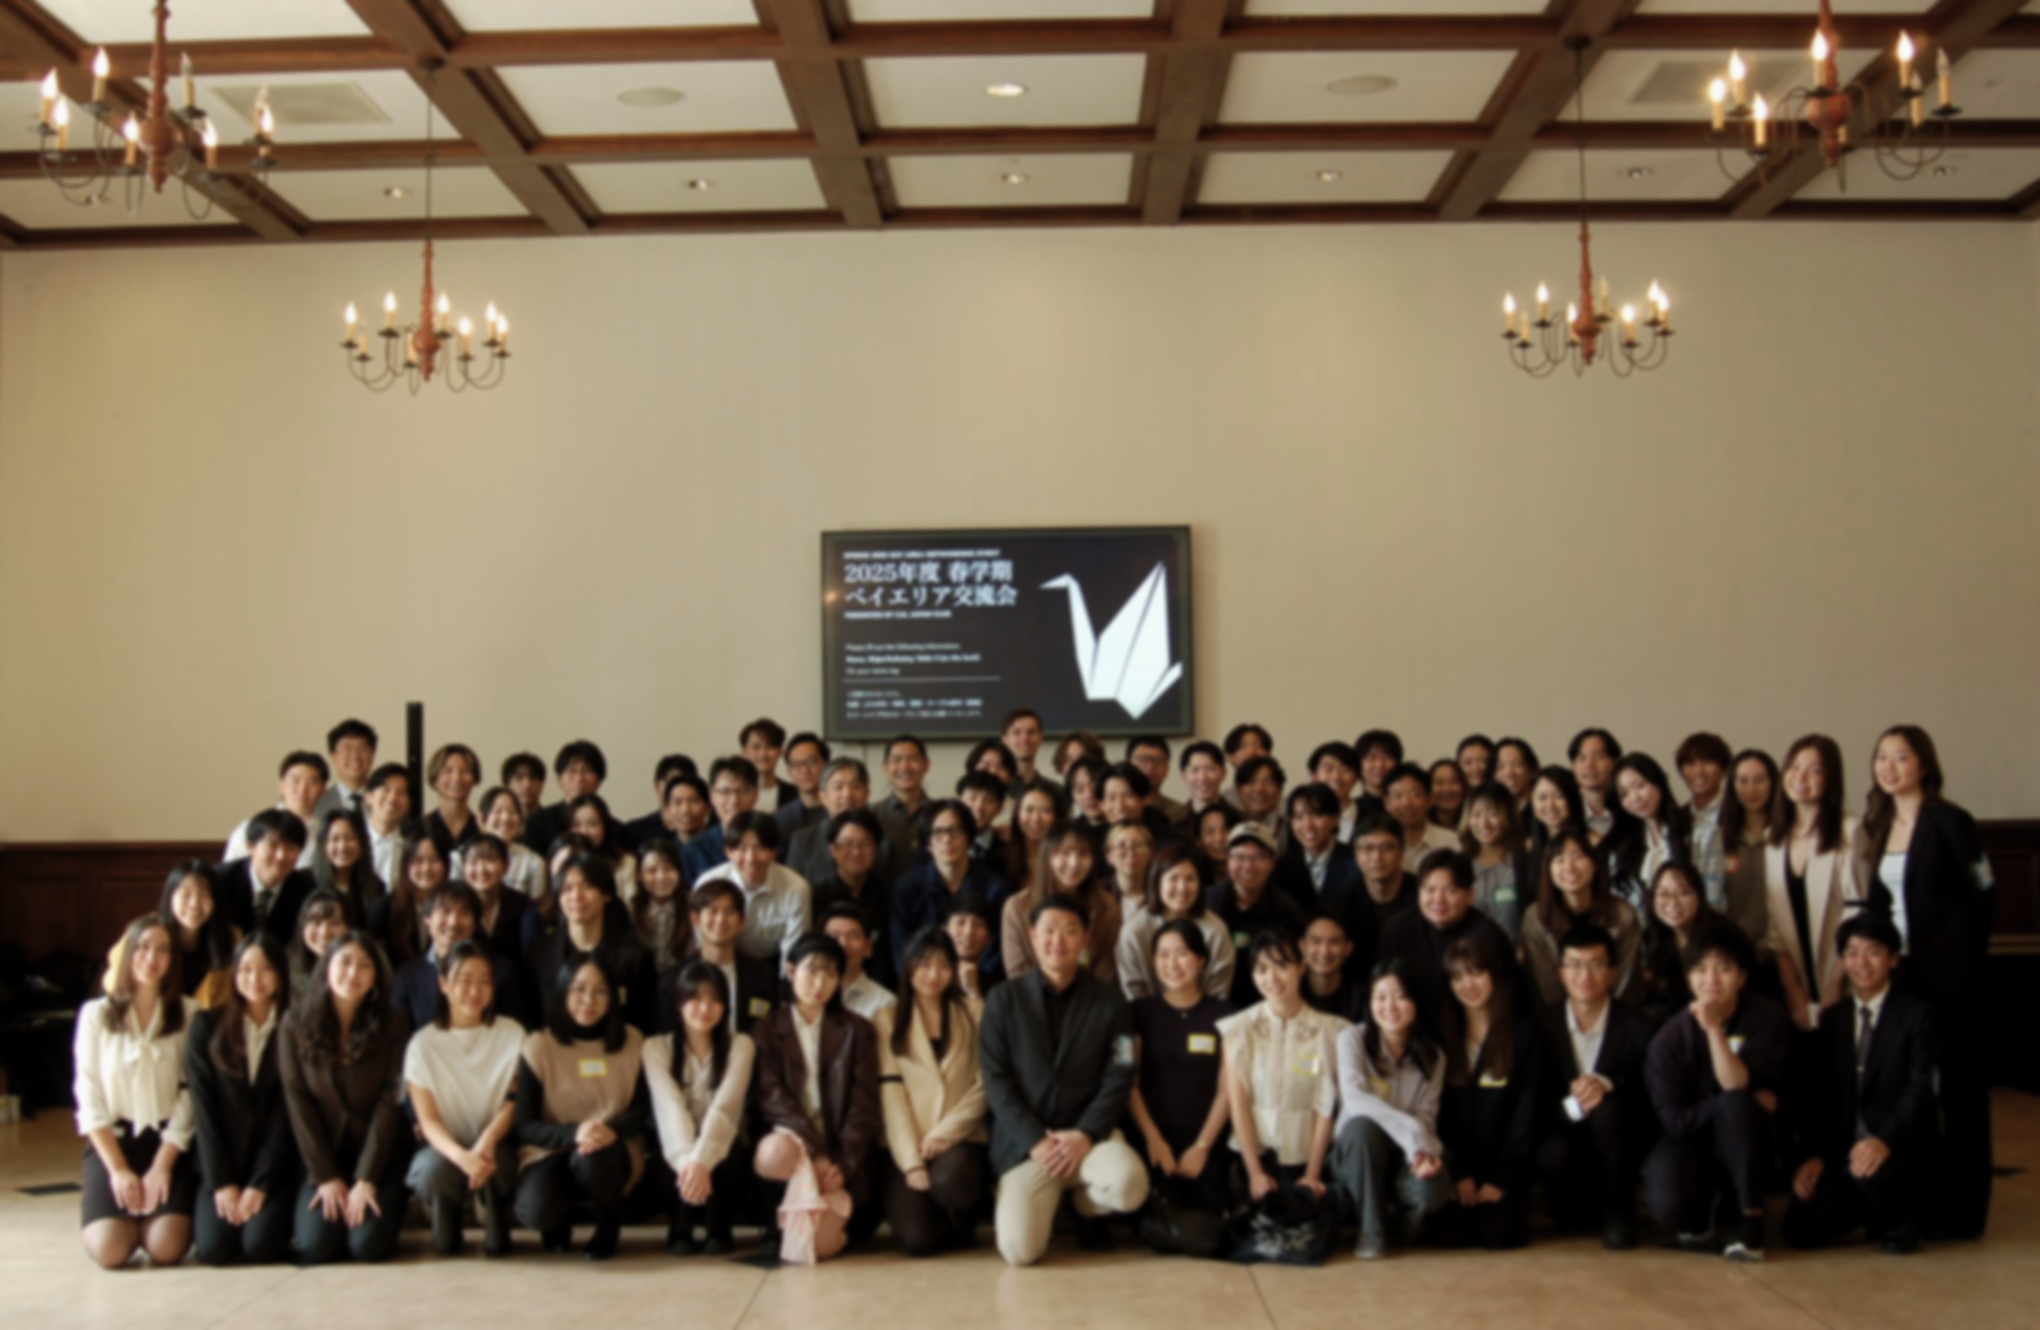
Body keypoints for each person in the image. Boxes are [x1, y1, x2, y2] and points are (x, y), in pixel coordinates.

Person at [1856, 723, 1994, 1240]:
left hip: (1952, 980)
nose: (1889, 767)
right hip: (1903, 975)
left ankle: (1966, 1210)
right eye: (1881, 758)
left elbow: (1983, 893)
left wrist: (1959, 958)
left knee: (1961, 1094)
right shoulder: (1879, 824)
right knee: (1913, 1093)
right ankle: (1919, 1200)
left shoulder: (1950, 820)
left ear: (1924, 764)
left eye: (1901, 757)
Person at [979, 898, 1149, 1265]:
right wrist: (1035, 1140)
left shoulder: (1111, 1001)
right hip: (1029, 1147)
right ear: (1032, 936)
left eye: (1070, 931)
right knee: (1018, 1252)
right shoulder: (1002, 1000)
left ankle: (1084, 1207)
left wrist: (1086, 1133)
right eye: (1049, 930)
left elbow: (1121, 1071)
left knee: (1129, 1186)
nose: (1059, 940)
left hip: (1089, 1138)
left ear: (1086, 938)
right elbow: (996, 1080)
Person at [1784, 914, 1938, 1255]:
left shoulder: (1916, 1014)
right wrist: (1814, 1154)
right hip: (1846, 1152)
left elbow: (1921, 1089)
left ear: (1894, 958)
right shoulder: (1835, 1017)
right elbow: (1822, 1096)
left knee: (1874, 1181)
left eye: (1873, 952)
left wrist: (1884, 1141)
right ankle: (1868, 1207)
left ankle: (1901, 1220)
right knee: (1799, 1227)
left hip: (1896, 1146)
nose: (1862, 963)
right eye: (1852, 953)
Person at [1644, 920, 1790, 1262]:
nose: (1710, 980)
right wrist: (1724, 1104)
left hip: (1751, 1144)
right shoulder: (1668, 1039)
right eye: (1700, 969)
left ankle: (1751, 1215)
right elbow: (1675, 1122)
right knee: (1669, 1203)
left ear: (1742, 976)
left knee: (1738, 1107)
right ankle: (1708, 1203)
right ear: (1688, 977)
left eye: (1723, 969)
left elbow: (1736, 1084)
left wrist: (1712, 1031)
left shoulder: (1766, 1017)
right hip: (1691, 1142)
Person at [279, 932, 411, 1265]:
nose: (354, 974)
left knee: (366, 1247)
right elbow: (298, 1103)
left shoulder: (394, 1023)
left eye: (365, 965)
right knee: (317, 1246)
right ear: (325, 969)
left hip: (378, 1158)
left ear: (376, 978)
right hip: (321, 1156)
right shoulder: (294, 1023)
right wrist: (325, 1175)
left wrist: (366, 1178)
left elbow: (390, 1103)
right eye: (345, 962)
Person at [74, 914, 197, 1269]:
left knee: (166, 1247)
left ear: (173, 961)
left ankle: (150, 1216)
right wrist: (118, 1170)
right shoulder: (95, 1014)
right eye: (142, 948)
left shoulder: (190, 1013)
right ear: (127, 954)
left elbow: (188, 1094)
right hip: (114, 1143)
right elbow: (88, 1092)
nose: (151, 958)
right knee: (111, 1250)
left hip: (169, 1145)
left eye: (162, 950)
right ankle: (123, 1217)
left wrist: (162, 1166)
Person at [750, 934, 884, 1258]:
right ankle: (776, 1218)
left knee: (818, 1249)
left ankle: (836, 1218)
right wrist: (816, 1153)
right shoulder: (766, 1029)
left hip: (840, 1154)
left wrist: (842, 1162)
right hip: (794, 1148)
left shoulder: (858, 1030)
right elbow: (773, 1101)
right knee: (774, 1152)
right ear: (791, 970)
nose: (820, 983)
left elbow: (863, 1105)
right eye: (812, 971)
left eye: (831, 974)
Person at [514, 956, 649, 1260]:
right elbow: (524, 1123)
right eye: (579, 989)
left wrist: (607, 1131)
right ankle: (557, 1224)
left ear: (613, 996)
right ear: (563, 992)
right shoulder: (539, 1045)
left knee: (595, 1160)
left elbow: (642, 1111)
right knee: (536, 1210)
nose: (589, 1000)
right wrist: (576, 1133)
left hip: (611, 1148)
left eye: (600, 991)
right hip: (552, 1148)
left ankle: (607, 1226)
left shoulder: (633, 1041)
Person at [1533, 923, 1655, 1249]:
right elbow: (1535, 1099)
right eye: (1574, 964)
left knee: (1612, 1107)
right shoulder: (1541, 1026)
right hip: (1563, 1131)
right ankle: (1570, 1209)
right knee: (1552, 1154)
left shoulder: (1639, 1027)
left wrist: (1608, 1087)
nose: (1584, 975)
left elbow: (1650, 1097)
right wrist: (1576, 1104)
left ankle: (1619, 1213)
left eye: (1596, 964)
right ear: (1560, 973)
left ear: (1612, 972)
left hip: (1620, 1136)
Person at [403, 938, 523, 1257]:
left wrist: (486, 1141)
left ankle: (493, 1209)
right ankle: (447, 1213)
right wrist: (460, 1156)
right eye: (464, 981)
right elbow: (427, 1120)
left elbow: (514, 1101)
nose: (475, 991)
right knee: (432, 1170)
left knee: (501, 1162)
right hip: (444, 1148)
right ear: (443, 984)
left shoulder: (512, 1034)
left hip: (495, 1143)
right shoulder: (422, 1044)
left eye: (484, 981)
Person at [877, 928, 990, 1256]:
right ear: (908, 965)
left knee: (950, 1182)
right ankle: (937, 1216)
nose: (933, 975)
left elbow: (984, 1085)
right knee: (917, 1240)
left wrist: (945, 1134)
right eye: (924, 964)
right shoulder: (886, 1018)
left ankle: (958, 1214)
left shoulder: (974, 1012)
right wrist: (912, 1161)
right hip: (905, 1145)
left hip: (961, 1138)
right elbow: (890, 1095)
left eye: (943, 966)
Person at [186, 932, 297, 1266]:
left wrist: (260, 1183)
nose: (255, 979)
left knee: (260, 1246)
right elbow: (202, 1110)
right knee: (214, 1249)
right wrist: (221, 1182)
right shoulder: (206, 1026)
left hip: (272, 1167)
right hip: (221, 1163)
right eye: (245, 969)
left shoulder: (295, 1028)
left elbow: (286, 1117)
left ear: (280, 973)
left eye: (265, 969)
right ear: (234, 975)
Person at [1331, 961, 1451, 1259]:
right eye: (1380, 997)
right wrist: (1413, 1134)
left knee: (1434, 1188)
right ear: (1369, 1002)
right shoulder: (1352, 1039)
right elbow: (1356, 1100)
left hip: (1401, 1157)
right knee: (1362, 1127)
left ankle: (1398, 1228)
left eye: (1400, 996)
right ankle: (1371, 1231)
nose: (1390, 1006)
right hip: (1354, 1156)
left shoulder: (1434, 1057)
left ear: (1416, 1001)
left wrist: (1424, 1153)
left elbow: (1426, 1116)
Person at [1219, 932, 1341, 1215]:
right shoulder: (1238, 1028)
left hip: (1306, 1160)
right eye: (1261, 969)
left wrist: (1312, 1172)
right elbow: (1238, 1105)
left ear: (1302, 966)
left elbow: (1326, 1108)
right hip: (1250, 1160)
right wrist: (1255, 1173)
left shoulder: (1331, 1031)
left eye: (1281, 965)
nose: (1271, 977)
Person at [1434, 932, 1543, 1250]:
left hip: (1506, 1168)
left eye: (1476, 973)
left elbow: (1528, 1114)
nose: (1468, 984)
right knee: (1450, 1237)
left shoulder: (1523, 1035)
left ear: (1495, 974)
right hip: (1460, 1167)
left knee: (1500, 1236)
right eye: (1457, 977)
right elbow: (1441, 1116)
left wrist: (1502, 1178)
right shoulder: (1443, 1038)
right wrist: (1461, 1172)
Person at [646, 962, 756, 1255]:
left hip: (725, 1146)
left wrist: (701, 1160)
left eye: (715, 999)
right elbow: (670, 1109)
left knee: (725, 1147)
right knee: (665, 1148)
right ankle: (680, 1223)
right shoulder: (656, 1048)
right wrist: (689, 1165)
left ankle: (717, 1223)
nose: (705, 1007)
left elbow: (726, 1108)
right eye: (695, 997)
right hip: (675, 1150)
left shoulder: (741, 1045)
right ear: (679, 1003)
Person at [1126, 922, 1233, 1219]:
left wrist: (1202, 1146)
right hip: (1151, 1138)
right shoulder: (1136, 1013)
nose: (1171, 963)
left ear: (1201, 961)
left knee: (1210, 1225)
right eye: (1163, 955)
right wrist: (1153, 1139)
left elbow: (1228, 1089)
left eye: (1182, 953)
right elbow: (1128, 1082)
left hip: (1206, 1139)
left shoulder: (1224, 1015)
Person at [1765, 735, 1867, 1029]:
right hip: (1796, 974)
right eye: (1794, 766)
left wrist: (1835, 985)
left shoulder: (1851, 830)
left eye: (1815, 770)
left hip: (1844, 971)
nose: (1800, 777)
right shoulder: (1773, 838)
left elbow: (1857, 916)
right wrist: (1792, 989)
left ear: (1831, 779)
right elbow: (1775, 927)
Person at [1375, 850, 1522, 1032]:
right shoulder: (1397, 929)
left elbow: (1508, 999)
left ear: (1469, 895)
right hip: (1412, 1032)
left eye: (1450, 890)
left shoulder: (1488, 938)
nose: (1438, 899)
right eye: (1430, 890)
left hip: (1468, 1032)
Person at [523, 853, 656, 1035]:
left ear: (606, 895)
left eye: (587, 886)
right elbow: (532, 1015)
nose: (576, 896)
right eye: (567, 888)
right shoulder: (540, 951)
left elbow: (643, 1022)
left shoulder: (635, 957)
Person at [1522, 829, 1641, 1006]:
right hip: (1558, 1017)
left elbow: (1625, 979)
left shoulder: (1623, 915)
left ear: (1594, 865)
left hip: (1615, 1014)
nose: (1569, 867)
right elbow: (1545, 984)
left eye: (1577, 857)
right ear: (1548, 870)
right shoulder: (1535, 918)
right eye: (1560, 860)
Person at [393, 882, 525, 1031]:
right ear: (427, 918)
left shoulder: (502, 971)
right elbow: (397, 1035)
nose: (453, 922)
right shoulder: (407, 975)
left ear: (476, 922)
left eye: (464, 913)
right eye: (445, 911)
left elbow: (514, 1029)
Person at [657, 881, 780, 1038]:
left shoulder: (763, 975)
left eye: (729, 912)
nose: (721, 919)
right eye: (712, 911)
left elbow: (770, 1032)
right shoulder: (672, 980)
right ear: (695, 919)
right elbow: (667, 1037)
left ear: (742, 921)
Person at [1607, 753, 1726, 913]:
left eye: (1640, 786)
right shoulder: (1623, 845)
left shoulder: (1704, 833)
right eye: (1624, 794)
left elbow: (1713, 902)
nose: (1635, 797)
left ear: (1659, 783)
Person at [1116, 842, 1236, 1001]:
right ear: (1157, 881)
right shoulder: (1134, 931)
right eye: (1173, 878)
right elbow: (1133, 991)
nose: (1182, 888)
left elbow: (1218, 991)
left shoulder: (1215, 930)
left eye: (1190, 879)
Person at [1003, 824, 1121, 984]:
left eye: (1083, 854)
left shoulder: (1107, 905)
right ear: (1047, 856)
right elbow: (1017, 972)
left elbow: (1107, 969)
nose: (1074, 863)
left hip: (1091, 1002)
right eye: (1064, 853)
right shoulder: (1017, 907)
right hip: (1031, 1002)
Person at [1204, 823, 1307, 1007]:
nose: (1248, 866)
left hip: (1268, 1005)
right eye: (1239, 857)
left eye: (1258, 857)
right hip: (1212, 1003)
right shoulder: (1206, 903)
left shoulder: (1288, 911)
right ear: (1228, 859)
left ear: (1272, 863)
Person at [110, 862, 237, 1009]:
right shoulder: (146, 930)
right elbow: (116, 984)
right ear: (170, 896)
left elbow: (227, 1002)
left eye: (204, 895)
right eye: (186, 894)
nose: (195, 903)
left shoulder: (229, 938)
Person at [696, 810, 811, 963]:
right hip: (722, 961)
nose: (751, 859)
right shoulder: (708, 883)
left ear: (774, 852)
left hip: (772, 964)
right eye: (742, 849)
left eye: (760, 848)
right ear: (728, 852)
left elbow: (792, 954)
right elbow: (704, 944)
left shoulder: (795, 888)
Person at [783, 758, 912, 891]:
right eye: (838, 787)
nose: (847, 795)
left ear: (867, 794)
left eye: (855, 787)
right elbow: (791, 894)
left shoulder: (888, 840)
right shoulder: (803, 841)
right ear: (823, 796)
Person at [809, 808, 896, 990]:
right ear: (833, 850)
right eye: (847, 844)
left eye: (865, 844)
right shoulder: (816, 894)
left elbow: (887, 952)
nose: (856, 852)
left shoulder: (887, 892)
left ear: (877, 849)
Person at [1634, 863, 1725, 1025]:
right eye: (1663, 894)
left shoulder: (1722, 936)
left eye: (1683, 893)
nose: (1673, 902)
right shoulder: (1652, 937)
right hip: (1675, 1027)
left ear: (1699, 895)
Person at [215, 809, 315, 945]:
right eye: (273, 845)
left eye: (291, 848)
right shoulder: (219, 880)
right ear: (250, 847)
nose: (281, 856)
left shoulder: (306, 889)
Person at [224, 751, 329, 865]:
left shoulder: (328, 833)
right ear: (281, 786)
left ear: (323, 791)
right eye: (295, 781)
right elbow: (231, 875)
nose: (302, 789)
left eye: (312, 783)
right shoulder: (250, 829)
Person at [1461, 781, 1532, 942]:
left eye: (1493, 814)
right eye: (1476, 815)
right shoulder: (1461, 863)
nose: (1484, 824)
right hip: (1472, 961)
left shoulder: (1523, 860)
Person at [1719, 750, 1778, 942]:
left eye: (1760, 780)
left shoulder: (1787, 837)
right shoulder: (1719, 838)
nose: (1752, 789)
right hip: (1731, 949)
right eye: (1743, 781)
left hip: (1781, 950)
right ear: (1732, 786)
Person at [1272, 782, 1357, 913]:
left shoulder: (1355, 861)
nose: (1307, 825)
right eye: (1299, 817)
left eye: (1316, 815)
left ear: (1335, 819)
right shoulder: (1283, 866)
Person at [365, 836, 449, 968]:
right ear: (405, 865)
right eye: (418, 861)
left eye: (434, 860)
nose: (426, 868)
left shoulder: (454, 909)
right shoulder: (383, 908)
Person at [522, 740, 609, 856]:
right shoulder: (538, 823)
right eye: (572, 771)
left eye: (587, 771)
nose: (579, 778)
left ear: (599, 780)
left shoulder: (613, 827)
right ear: (559, 779)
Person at [309, 807, 385, 926]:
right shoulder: (304, 882)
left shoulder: (376, 887)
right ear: (323, 844)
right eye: (335, 839)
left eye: (350, 838)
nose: (343, 847)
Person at [459, 834, 530, 961]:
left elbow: (530, 955)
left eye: (490, 861)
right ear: (463, 868)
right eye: (473, 862)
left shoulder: (523, 905)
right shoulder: (455, 906)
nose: (481, 870)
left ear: (506, 866)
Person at [473, 785, 550, 900]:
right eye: (498, 811)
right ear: (481, 819)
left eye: (513, 811)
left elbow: (538, 909)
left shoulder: (534, 862)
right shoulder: (460, 857)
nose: (505, 818)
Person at [822, 902, 896, 1022]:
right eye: (834, 937)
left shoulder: (885, 1002)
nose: (843, 944)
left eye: (853, 936)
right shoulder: (805, 998)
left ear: (868, 948)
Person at [632, 839, 691, 974]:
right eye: (652, 871)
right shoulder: (631, 910)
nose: (661, 877)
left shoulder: (693, 905)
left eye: (669, 868)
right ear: (639, 875)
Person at [1384, 764, 1457, 873]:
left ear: (1430, 800)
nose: (1406, 803)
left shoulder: (1452, 843)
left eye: (1415, 795)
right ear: (1387, 803)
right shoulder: (1379, 847)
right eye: (1398, 796)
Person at [1351, 812, 1417, 930]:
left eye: (1387, 847)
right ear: (1356, 855)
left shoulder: (1423, 896)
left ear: (1402, 852)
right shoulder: (1343, 901)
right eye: (1368, 848)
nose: (1377, 857)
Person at [622, 755, 702, 850]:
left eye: (684, 784)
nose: (678, 790)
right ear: (657, 785)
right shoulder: (635, 831)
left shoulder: (711, 830)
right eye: (672, 782)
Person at [1299, 913, 1367, 1023]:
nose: (1325, 951)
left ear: (1348, 949)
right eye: (1316, 941)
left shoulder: (1362, 998)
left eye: (1334, 942)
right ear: (1302, 946)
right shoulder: (1290, 991)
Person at [568, 793, 636, 901]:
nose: (584, 832)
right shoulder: (562, 863)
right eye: (577, 825)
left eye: (592, 824)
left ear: (605, 826)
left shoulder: (625, 863)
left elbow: (630, 910)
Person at [424, 743, 484, 858]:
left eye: (465, 771)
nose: (457, 778)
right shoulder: (420, 829)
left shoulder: (482, 828)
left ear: (474, 779)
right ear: (435, 779)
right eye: (448, 771)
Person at [313, 719, 378, 819]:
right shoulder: (318, 803)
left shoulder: (385, 800)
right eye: (347, 749)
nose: (355, 756)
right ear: (333, 756)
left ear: (372, 756)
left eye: (362, 749)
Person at [362, 764, 413, 889]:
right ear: (368, 797)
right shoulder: (353, 840)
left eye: (401, 792)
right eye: (386, 790)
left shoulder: (413, 844)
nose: (392, 798)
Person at [289, 889, 348, 997]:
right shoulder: (287, 968)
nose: (324, 932)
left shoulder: (362, 965)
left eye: (334, 923)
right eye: (316, 922)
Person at [943, 892, 1002, 999]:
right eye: (961, 922)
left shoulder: (997, 990)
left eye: (979, 924)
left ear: (989, 938)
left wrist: (974, 992)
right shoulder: (931, 980)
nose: (969, 932)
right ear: (945, 931)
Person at [1568, 728, 1622, 840]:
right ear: (1572, 767)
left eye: (1598, 757)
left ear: (1615, 763)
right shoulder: (1566, 811)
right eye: (1582, 758)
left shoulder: (1630, 807)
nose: (1589, 765)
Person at [1307, 740, 1365, 842]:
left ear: (1356, 777)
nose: (1336, 777)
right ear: (1314, 776)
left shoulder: (1372, 818)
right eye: (1328, 769)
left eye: (1345, 770)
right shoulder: (1301, 820)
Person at [775, 733, 830, 837]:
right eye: (796, 765)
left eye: (811, 762)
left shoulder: (844, 811)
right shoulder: (780, 819)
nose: (805, 770)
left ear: (827, 764)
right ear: (789, 772)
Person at [1528, 765, 1589, 858]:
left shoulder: (1593, 843)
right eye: (1542, 798)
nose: (1550, 805)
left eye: (1559, 796)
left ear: (1572, 799)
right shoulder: (1527, 849)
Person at [877, 735, 932, 839]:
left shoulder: (940, 814)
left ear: (926, 764)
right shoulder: (873, 815)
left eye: (912, 759)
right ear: (885, 767)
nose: (905, 767)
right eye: (897, 760)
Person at [1676, 732, 1734, 829]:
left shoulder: (1740, 813)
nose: (1698, 771)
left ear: (1724, 769)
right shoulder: (1676, 819)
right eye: (1690, 763)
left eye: (1707, 761)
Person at [1103, 818, 1157, 919]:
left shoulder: (1162, 892)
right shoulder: (1098, 896)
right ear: (1108, 855)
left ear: (1151, 853)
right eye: (1121, 846)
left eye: (1138, 845)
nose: (1131, 853)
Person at [1127, 735, 1185, 827]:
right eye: (1143, 759)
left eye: (1157, 760)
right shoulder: (1116, 808)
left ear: (1167, 769)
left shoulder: (1180, 813)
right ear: (1127, 764)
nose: (1150, 766)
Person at [740, 718, 795, 812]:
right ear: (744, 752)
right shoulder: (734, 794)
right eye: (756, 747)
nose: (763, 754)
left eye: (770, 747)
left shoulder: (794, 794)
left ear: (780, 751)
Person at [1176, 740, 1230, 829]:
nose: (1202, 778)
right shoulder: (1173, 822)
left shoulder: (1238, 820)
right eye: (1195, 770)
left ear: (1223, 774)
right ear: (1184, 776)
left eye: (1210, 769)